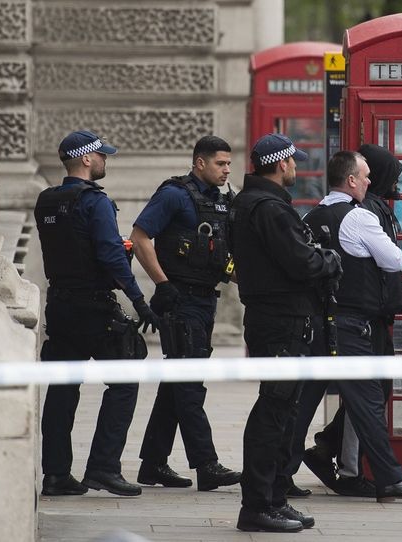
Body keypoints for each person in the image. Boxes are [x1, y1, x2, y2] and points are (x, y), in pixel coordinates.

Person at [288, 150, 402, 504]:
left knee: (302, 404)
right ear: (350, 180)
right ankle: (391, 479)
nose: (369, 182)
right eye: (364, 176)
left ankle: (278, 473)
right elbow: (394, 259)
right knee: (368, 402)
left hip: (318, 321)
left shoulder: (312, 215)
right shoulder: (359, 217)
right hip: (351, 325)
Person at [35, 130, 159, 497]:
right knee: (125, 376)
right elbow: (109, 258)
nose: (106, 160)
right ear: (87, 159)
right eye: (102, 155)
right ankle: (103, 467)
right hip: (93, 305)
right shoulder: (95, 202)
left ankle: (56, 474)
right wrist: (139, 301)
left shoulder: (46, 201)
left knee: (61, 390)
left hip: (59, 305)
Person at [231, 133, 341, 533]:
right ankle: (258, 505)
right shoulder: (271, 209)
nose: (296, 167)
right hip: (282, 321)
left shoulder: (250, 203)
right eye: (293, 161)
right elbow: (301, 263)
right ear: (281, 164)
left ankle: (274, 499)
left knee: (280, 411)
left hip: (272, 318)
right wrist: (329, 260)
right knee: (273, 413)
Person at [129, 135, 241, 492]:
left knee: (177, 383)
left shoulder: (220, 200)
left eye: (228, 164)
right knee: (189, 384)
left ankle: (153, 464)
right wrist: (162, 284)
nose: (226, 170)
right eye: (220, 164)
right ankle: (206, 464)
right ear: (199, 163)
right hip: (181, 302)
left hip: (205, 299)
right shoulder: (175, 194)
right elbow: (140, 235)